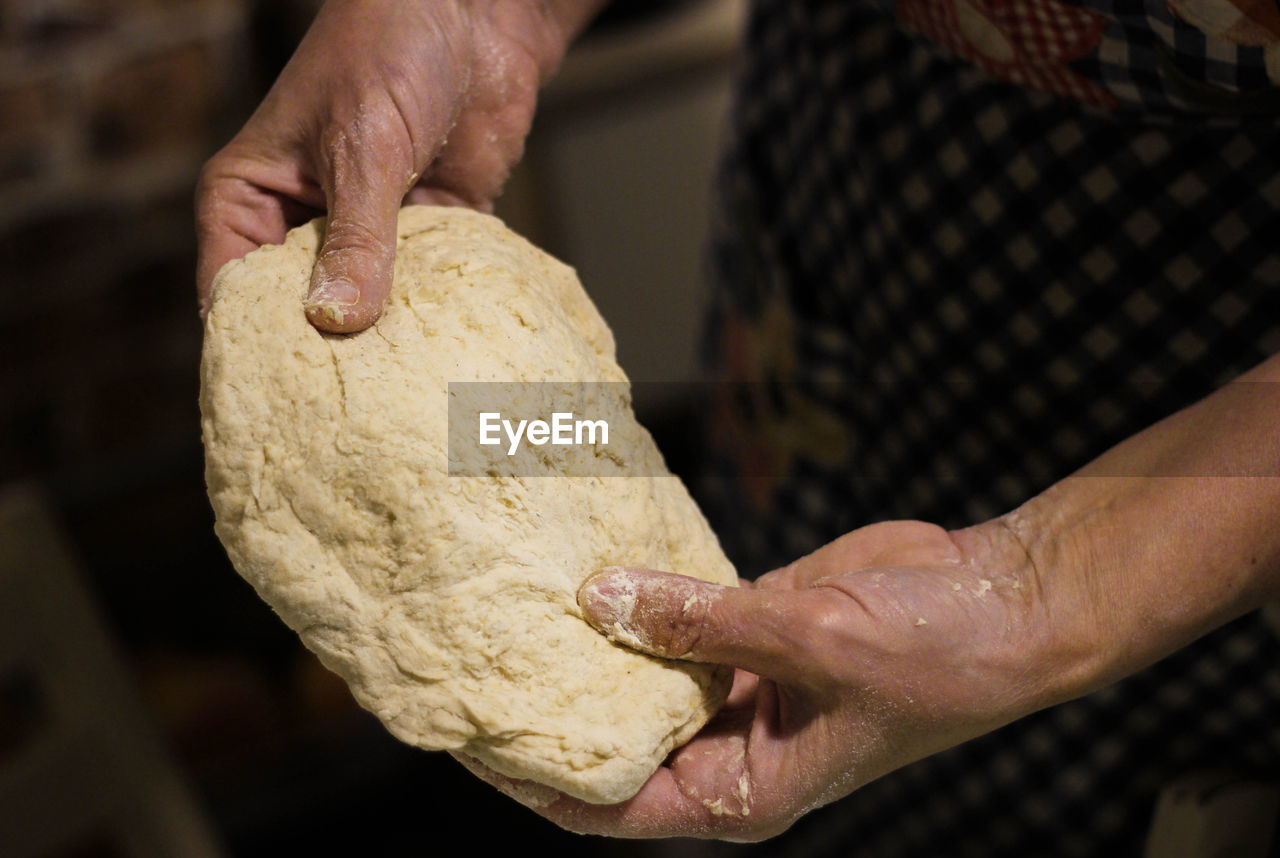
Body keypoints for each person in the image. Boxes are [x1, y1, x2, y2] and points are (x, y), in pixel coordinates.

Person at [196, 0, 1280, 852]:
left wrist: (1044, 586)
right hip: (846, 192)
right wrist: (491, 10)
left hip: (1205, 417)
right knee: (754, 651)